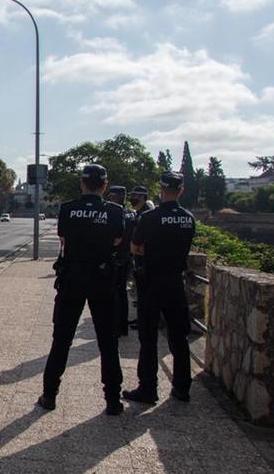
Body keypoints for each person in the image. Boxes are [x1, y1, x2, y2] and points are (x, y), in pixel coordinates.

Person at [39, 164, 126, 416]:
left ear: (82, 184)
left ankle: (49, 395)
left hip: (72, 279)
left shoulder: (67, 209)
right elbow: (117, 240)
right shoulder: (115, 211)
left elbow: (63, 239)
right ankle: (112, 400)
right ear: (105, 185)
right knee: (108, 343)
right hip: (102, 279)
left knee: (61, 341)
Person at [123, 171, 196, 405]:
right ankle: (182, 388)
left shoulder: (151, 218)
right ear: (181, 190)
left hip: (152, 282)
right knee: (179, 338)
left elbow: (135, 247)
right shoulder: (188, 218)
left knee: (148, 338)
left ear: (161, 189)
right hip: (176, 282)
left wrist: (151, 252)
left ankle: (148, 389)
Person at [108, 186, 136, 337]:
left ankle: (114, 327)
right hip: (127, 257)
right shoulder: (132, 214)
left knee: (112, 293)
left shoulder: (112, 213)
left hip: (113, 258)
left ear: (113, 197)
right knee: (122, 293)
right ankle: (122, 327)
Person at [127, 186, 154, 330]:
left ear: (143, 197)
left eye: (135, 196)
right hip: (137, 259)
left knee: (145, 294)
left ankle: (144, 321)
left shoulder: (146, 214)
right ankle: (140, 318)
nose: (132, 199)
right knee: (141, 294)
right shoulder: (138, 213)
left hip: (144, 260)